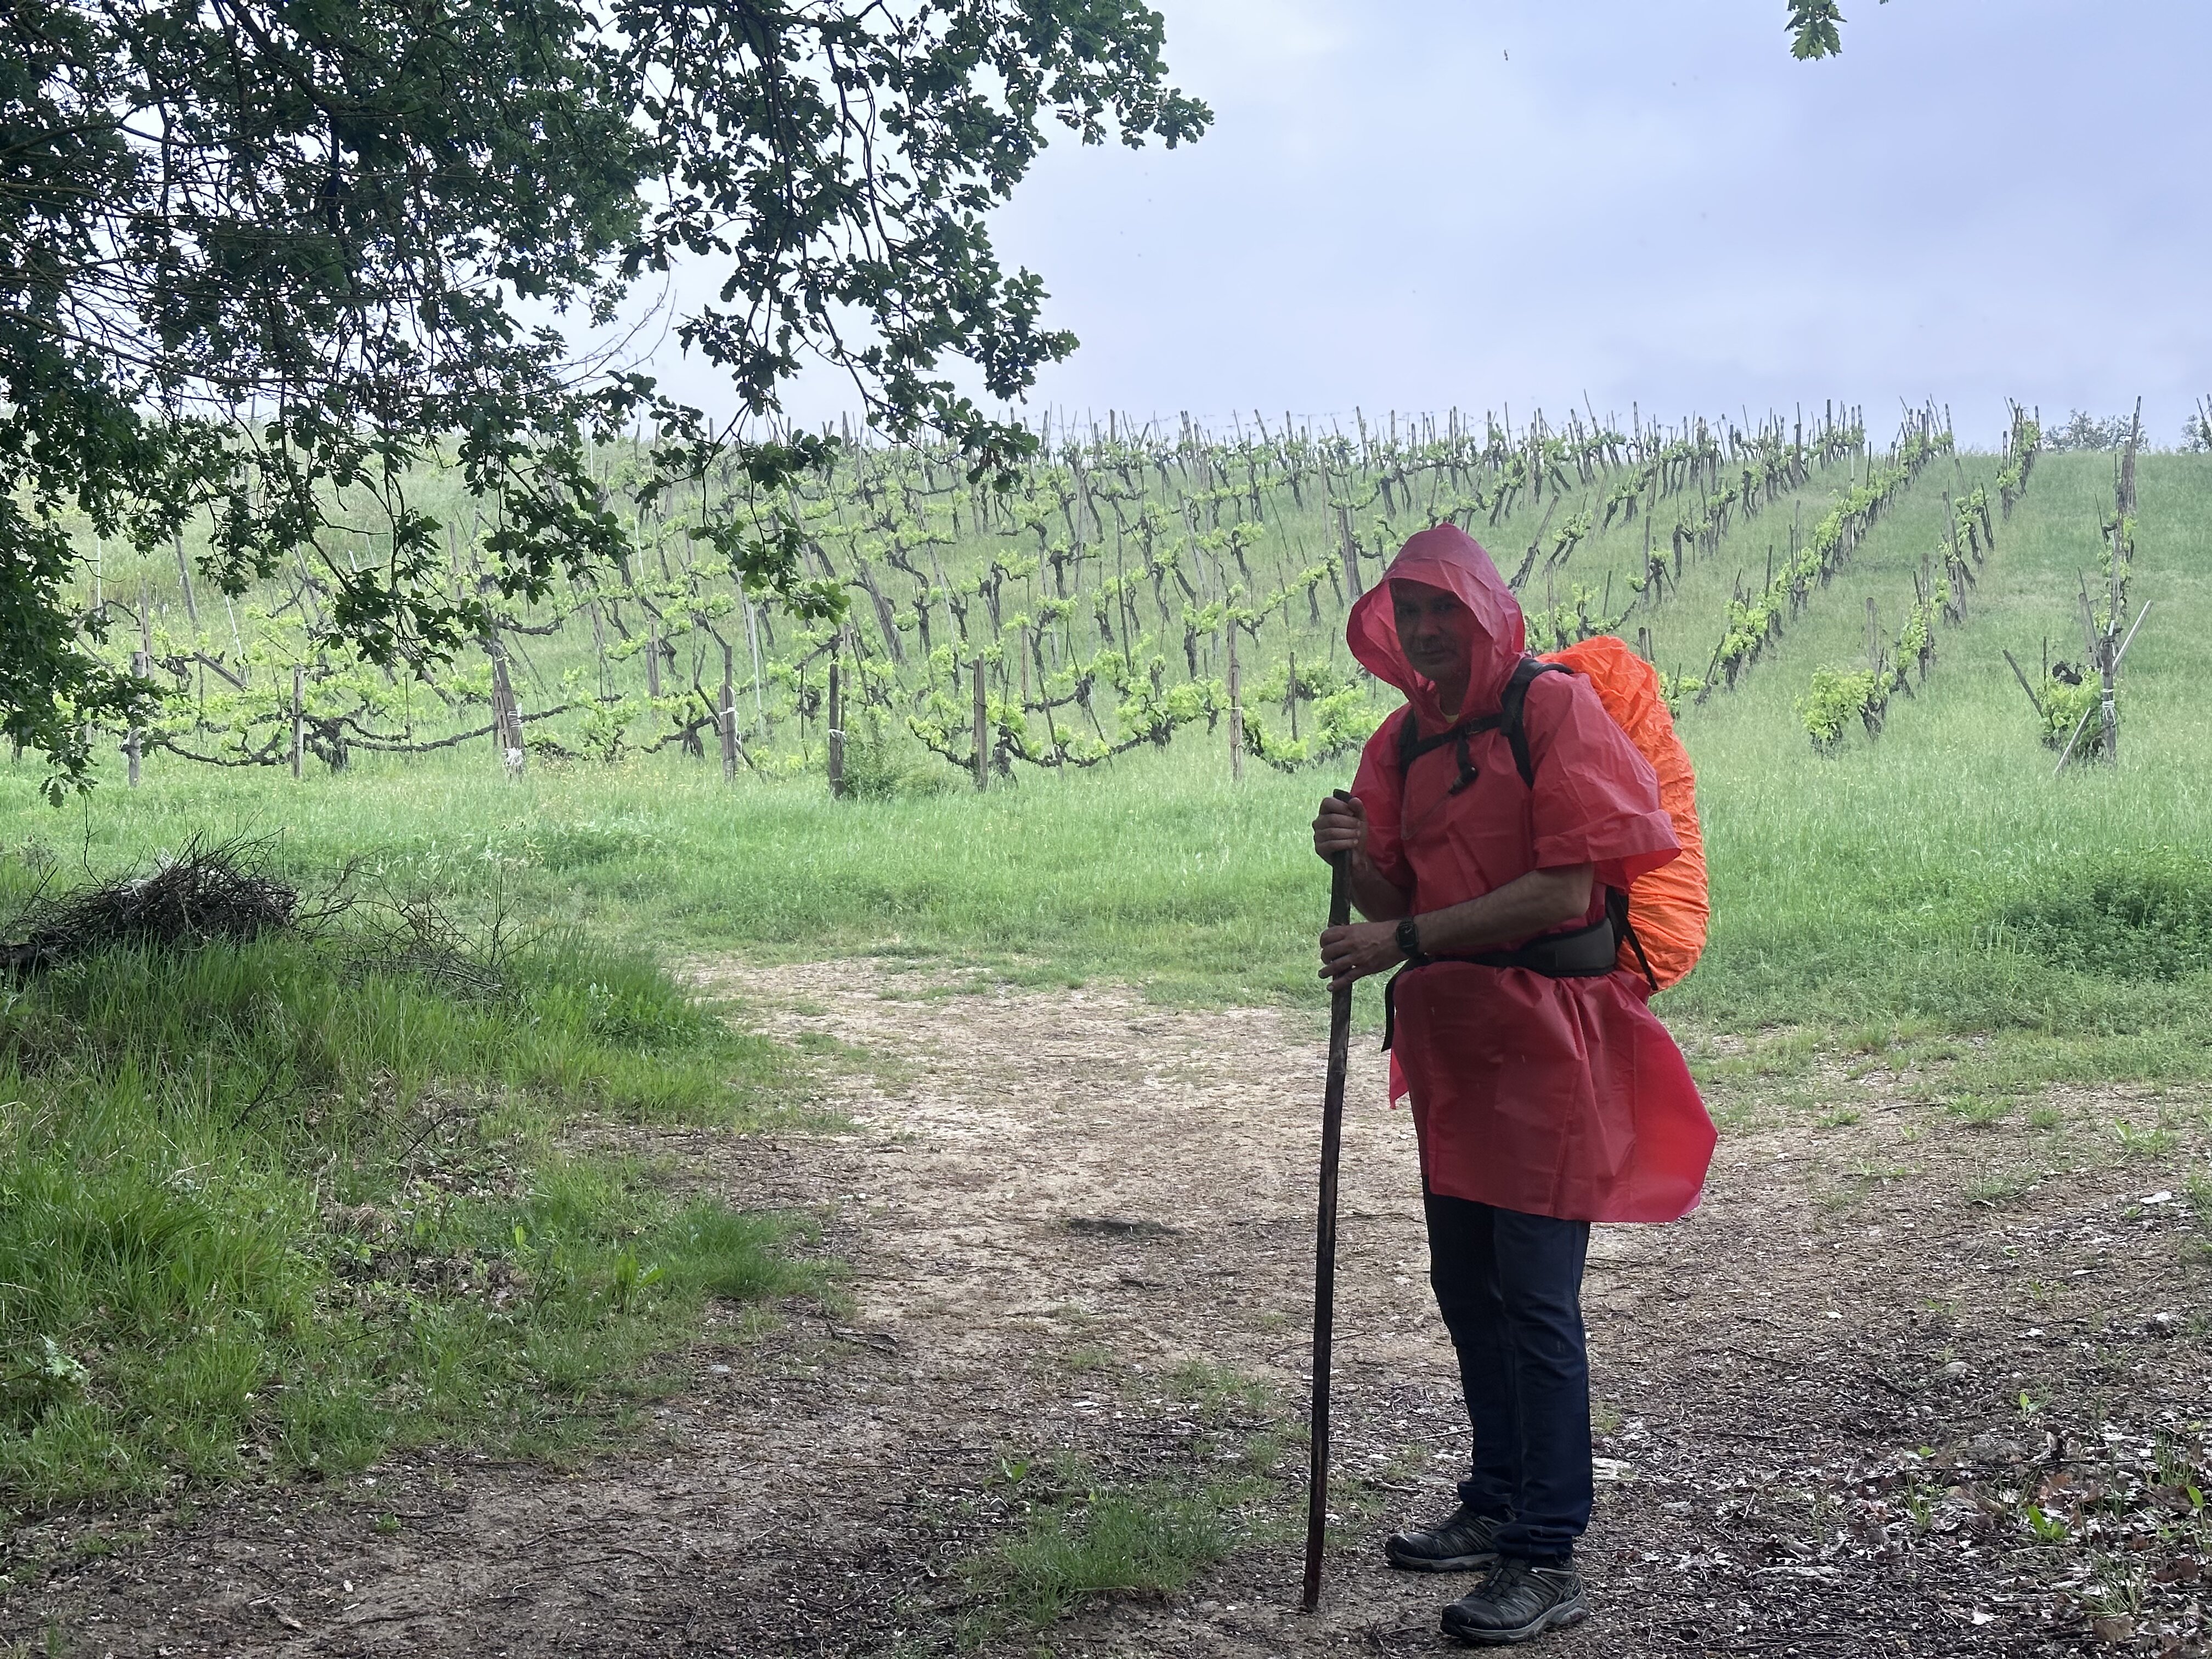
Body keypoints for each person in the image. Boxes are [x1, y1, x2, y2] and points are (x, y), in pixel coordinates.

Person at [1311, 524, 1716, 1647]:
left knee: (1535, 1298)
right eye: (1407, 613)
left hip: (1550, 1040)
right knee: (1466, 1285)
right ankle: (1494, 1501)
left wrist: (1402, 938)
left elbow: (1563, 891)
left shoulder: (1552, 713)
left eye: (1442, 608)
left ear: (1486, 610)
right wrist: (1352, 857)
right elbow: (1395, 894)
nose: (1425, 630)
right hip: (1457, 1046)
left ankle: (1546, 1551)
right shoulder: (1403, 740)